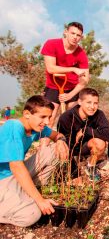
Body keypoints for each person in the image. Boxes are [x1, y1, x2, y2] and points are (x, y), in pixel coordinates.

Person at [0, 95, 69, 227]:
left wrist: (60, 141)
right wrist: (40, 200)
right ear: (27, 114)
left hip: (14, 176)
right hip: (3, 180)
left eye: (49, 117)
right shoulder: (13, 126)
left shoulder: (36, 128)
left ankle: (26, 192)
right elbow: (16, 166)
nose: (47, 121)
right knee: (32, 214)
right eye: (43, 117)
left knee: (54, 150)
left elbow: (57, 135)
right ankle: (20, 200)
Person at [57, 88, 109, 181]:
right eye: (89, 102)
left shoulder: (99, 114)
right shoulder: (66, 117)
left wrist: (86, 130)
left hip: (86, 146)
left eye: (95, 103)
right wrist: (74, 172)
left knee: (100, 143)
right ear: (80, 102)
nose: (92, 107)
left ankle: (91, 166)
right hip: (70, 148)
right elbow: (64, 143)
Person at [41, 22, 90, 127]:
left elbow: (85, 79)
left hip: (72, 88)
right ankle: (44, 143)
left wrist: (69, 95)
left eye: (78, 35)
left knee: (73, 118)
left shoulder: (81, 53)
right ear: (66, 32)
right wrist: (73, 69)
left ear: (81, 37)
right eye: (73, 33)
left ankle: (67, 142)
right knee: (49, 117)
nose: (75, 37)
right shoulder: (51, 44)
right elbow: (50, 68)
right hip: (53, 86)